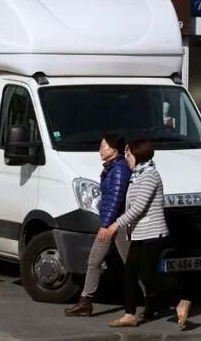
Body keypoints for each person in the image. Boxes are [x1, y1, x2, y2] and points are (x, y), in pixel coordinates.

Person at [100, 138, 192, 329]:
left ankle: (179, 301)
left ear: (139, 155)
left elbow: (138, 208)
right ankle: (129, 315)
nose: (126, 158)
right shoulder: (137, 175)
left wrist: (115, 225)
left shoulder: (150, 175)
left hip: (153, 233)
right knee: (129, 273)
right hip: (139, 234)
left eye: (129, 155)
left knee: (147, 275)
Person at [65, 134, 132, 317]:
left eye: (103, 146)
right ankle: (85, 302)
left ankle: (154, 297)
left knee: (132, 264)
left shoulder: (119, 169)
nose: (100, 150)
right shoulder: (112, 168)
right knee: (94, 261)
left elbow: (115, 199)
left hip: (117, 224)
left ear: (113, 149)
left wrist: (106, 224)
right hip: (111, 223)